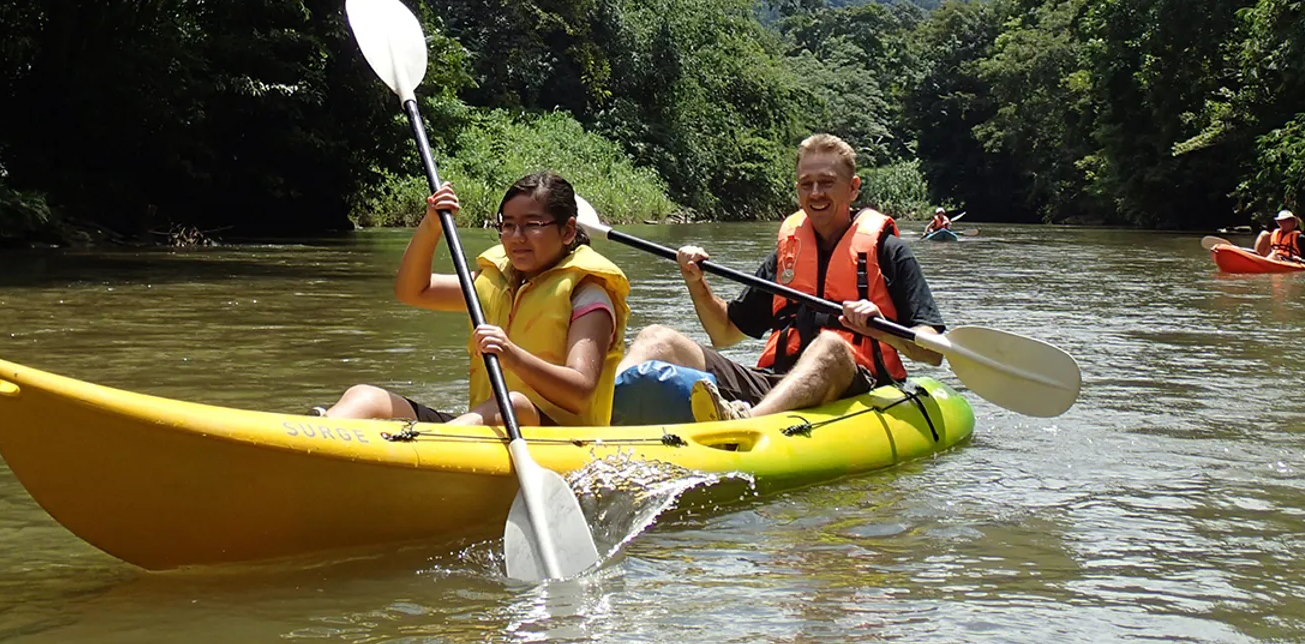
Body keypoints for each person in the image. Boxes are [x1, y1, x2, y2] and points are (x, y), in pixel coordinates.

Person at [618, 133, 946, 421]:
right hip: (777, 382)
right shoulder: (788, 253)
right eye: (807, 184)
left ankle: (743, 425)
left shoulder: (889, 251)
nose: (815, 192)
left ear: (854, 188)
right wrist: (695, 281)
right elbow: (725, 332)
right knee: (655, 337)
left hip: (854, 386)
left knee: (830, 344)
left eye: (827, 182)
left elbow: (932, 352)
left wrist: (881, 329)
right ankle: (593, 412)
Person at [322, 172, 631, 428]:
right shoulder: (493, 281)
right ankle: (311, 440)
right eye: (507, 225)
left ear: (567, 232)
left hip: (555, 437)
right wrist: (432, 224)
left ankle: (428, 446)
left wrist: (512, 354)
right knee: (365, 396)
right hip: (484, 424)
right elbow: (412, 290)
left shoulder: (589, 295)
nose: (516, 236)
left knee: (515, 403)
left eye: (532, 225)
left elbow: (579, 392)